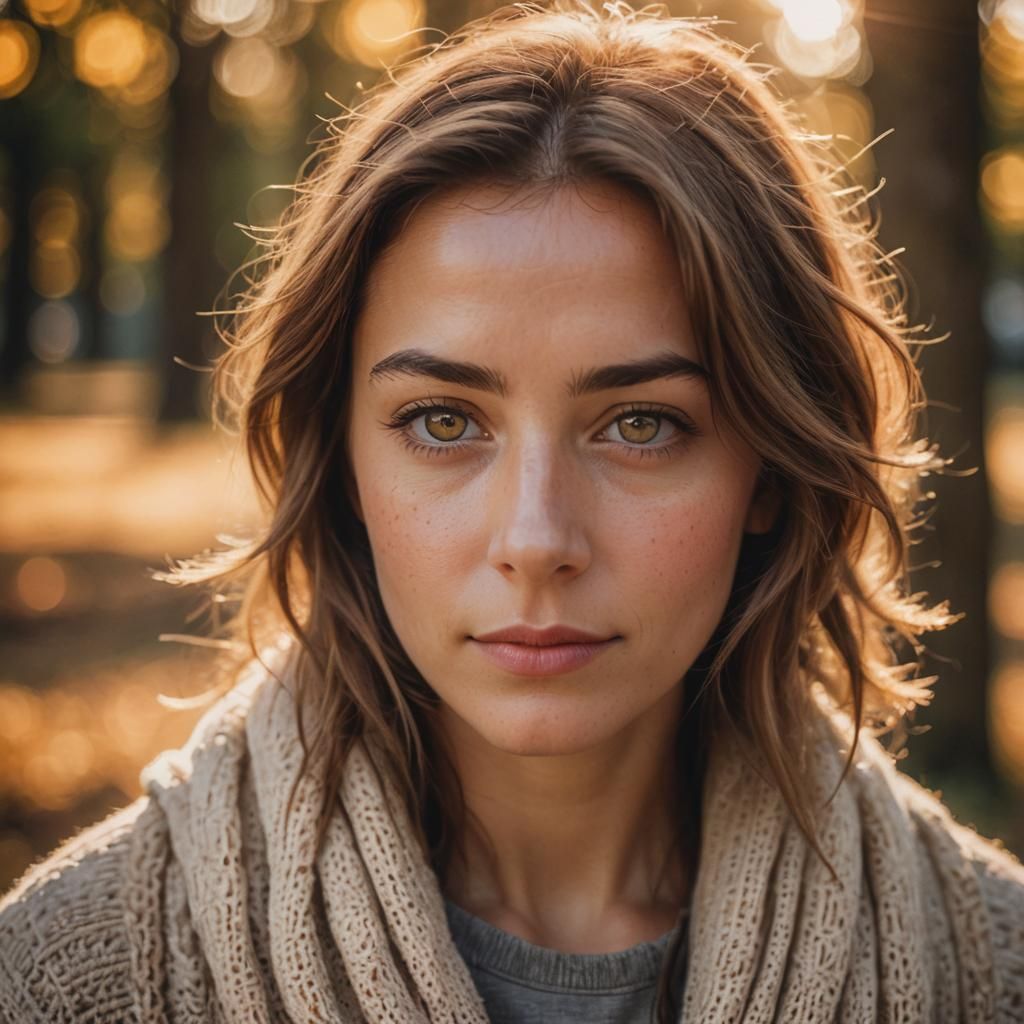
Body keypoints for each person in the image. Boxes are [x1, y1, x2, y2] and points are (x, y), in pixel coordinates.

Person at [2, 2, 1023, 1021]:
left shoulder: (990, 966)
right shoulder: (65, 976)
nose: (536, 540)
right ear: (340, 457)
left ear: (770, 468)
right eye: (443, 420)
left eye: (641, 424)